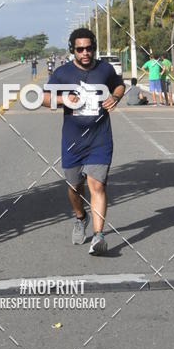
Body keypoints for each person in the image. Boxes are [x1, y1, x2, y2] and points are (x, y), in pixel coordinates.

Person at [43, 28, 124, 256]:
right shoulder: (62, 73)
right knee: (74, 187)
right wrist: (63, 99)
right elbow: (44, 98)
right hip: (72, 142)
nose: (85, 53)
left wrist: (115, 96)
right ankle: (80, 217)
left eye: (89, 48)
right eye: (80, 49)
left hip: (100, 138)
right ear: (73, 50)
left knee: (97, 186)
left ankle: (98, 236)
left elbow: (119, 84)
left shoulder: (104, 69)